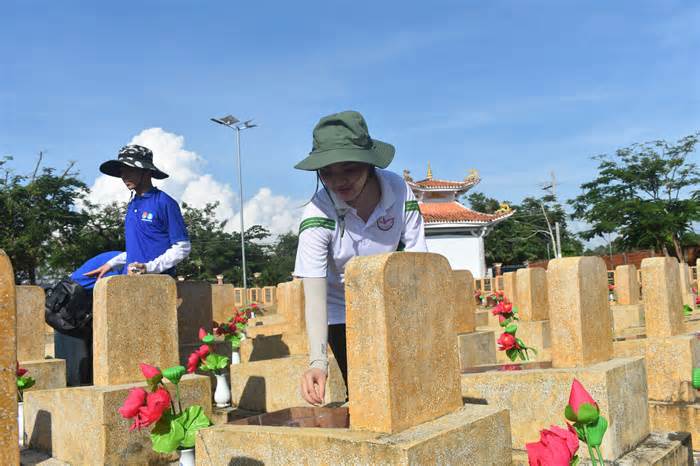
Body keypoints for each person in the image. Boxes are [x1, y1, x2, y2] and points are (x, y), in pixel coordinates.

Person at [293, 110, 427, 405]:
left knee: (411, 388)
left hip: (394, 302)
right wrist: (318, 362)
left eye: (350, 169)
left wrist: (422, 319)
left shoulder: (398, 190)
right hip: (343, 311)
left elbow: (419, 259)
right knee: (369, 396)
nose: (338, 181)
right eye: (327, 172)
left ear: (369, 164)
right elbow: (315, 292)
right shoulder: (317, 215)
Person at [85, 144, 191, 279]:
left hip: (158, 284)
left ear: (146, 171)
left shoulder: (164, 202)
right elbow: (138, 251)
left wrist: (148, 268)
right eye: (122, 171)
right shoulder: (132, 204)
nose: (124, 176)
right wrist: (111, 264)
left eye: (129, 170)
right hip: (131, 282)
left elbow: (182, 247)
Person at [48, 251, 123, 386]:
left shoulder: (122, 258)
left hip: (77, 310)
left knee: (84, 368)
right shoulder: (123, 264)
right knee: (76, 372)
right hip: (69, 312)